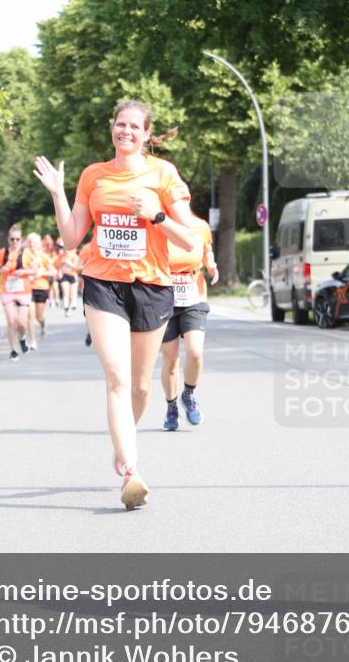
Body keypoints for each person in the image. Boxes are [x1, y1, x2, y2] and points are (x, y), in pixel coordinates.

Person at [34, 99, 196, 510]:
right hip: (103, 284)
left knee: (141, 387)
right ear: (113, 129)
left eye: (133, 126)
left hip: (152, 286)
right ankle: (131, 471)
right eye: (119, 124)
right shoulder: (94, 175)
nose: (125, 131)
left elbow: (190, 240)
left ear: (146, 135)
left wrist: (158, 216)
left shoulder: (163, 174)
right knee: (117, 378)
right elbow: (72, 237)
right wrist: (57, 194)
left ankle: (121, 446)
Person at [160, 214, 219, 431]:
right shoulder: (158, 224)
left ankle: (188, 393)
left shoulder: (200, 225)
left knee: (195, 352)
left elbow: (206, 250)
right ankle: (171, 405)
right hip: (163, 296)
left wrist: (211, 264)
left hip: (194, 294)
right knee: (171, 360)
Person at [0, 225, 33, 360]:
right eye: (12, 239)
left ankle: (22, 338)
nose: (15, 242)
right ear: (8, 239)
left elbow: (35, 270)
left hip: (23, 290)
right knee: (11, 321)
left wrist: (23, 271)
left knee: (21, 323)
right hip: (7, 289)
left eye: (17, 239)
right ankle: (13, 350)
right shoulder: (3, 253)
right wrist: (2, 270)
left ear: (21, 240)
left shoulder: (26, 253)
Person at [24, 232, 55, 349]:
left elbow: (53, 272)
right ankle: (33, 341)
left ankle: (43, 324)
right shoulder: (24, 256)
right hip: (28, 288)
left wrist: (42, 273)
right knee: (30, 316)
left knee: (39, 316)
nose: (32, 244)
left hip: (41, 287)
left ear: (39, 244)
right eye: (29, 242)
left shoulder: (43, 256)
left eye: (34, 242)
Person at [55, 244, 80, 316]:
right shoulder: (61, 256)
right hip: (64, 276)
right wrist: (59, 272)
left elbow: (76, 267)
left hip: (73, 275)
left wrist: (68, 262)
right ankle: (66, 309)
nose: (67, 250)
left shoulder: (75, 256)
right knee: (65, 293)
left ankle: (68, 307)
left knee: (71, 296)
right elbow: (58, 266)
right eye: (65, 248)